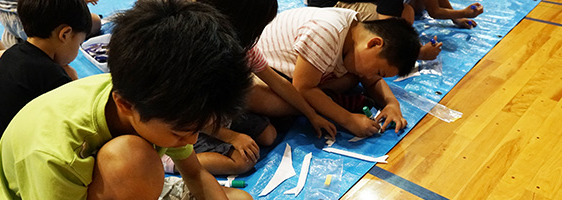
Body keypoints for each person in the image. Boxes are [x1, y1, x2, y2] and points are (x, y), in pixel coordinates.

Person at [0, 0, 270, 200]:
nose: (192, 141)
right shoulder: (53, 153)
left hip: (112, 188)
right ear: (125, 105)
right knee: (134, 158)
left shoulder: (156, 100)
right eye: (183, 132)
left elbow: (194, 174)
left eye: (198, 129)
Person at [164, 0, 336, 176]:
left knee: (268, 136)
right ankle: (171, 161)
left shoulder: (243, 49)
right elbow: (188, 115)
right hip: (189, 120)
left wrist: (312, 114)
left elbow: (277, 82)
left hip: (214, 113)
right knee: (242, 160)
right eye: (259, 27)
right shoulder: (202, 58)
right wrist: (231, 136)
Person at [257, 7, 420, 138]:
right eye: (378, 71)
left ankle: (325, 101)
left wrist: (391, 103)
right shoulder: (327, 32)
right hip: (269, 72)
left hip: (303, 74)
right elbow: (303, 88)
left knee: (352, 78)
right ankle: (325, 102)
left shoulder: (356, 34)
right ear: (374, 43)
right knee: (267, 99)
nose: (371, 76)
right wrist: (348, 120)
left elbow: (373, 81)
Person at [0, 0, 91, 159]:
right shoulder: (53, 76)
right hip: (12, 154)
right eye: (79, 43)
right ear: (65, 34)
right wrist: (73, 83)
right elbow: (74, 123)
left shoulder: (10, 52)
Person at [305, 1, 441, 60]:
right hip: (324, 8)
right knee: (406, 13)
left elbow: (435, 9)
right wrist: (416, 54)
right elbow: (387, 29)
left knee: (409, 10)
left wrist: (458, 15)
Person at [0, 0, 101, 48]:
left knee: (95, 22)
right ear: (64, 34)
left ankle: (18, 35)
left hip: (12, 13)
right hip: (19, 15)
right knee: (94, 22)